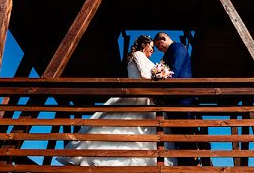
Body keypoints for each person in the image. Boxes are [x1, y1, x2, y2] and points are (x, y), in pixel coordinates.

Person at [56, 36, 171, 166]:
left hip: (144, 97)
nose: (152, 50)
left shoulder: (137, 56)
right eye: (151, 46)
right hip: (139, 96)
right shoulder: (138, 54)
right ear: (144, 45)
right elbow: (144, 75)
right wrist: (160, 77)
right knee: (132, 129)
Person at [153, 32, 201, 166]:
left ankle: (190, 164)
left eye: (158, 45)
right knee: (177, 133)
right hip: (175, 99)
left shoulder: (178, 48)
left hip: (182, 97)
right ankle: (184, 164)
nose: (158, 48)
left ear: (164, 38)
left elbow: (175, 70)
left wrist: (161, 81)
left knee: (185, 132)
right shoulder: (168, 53)